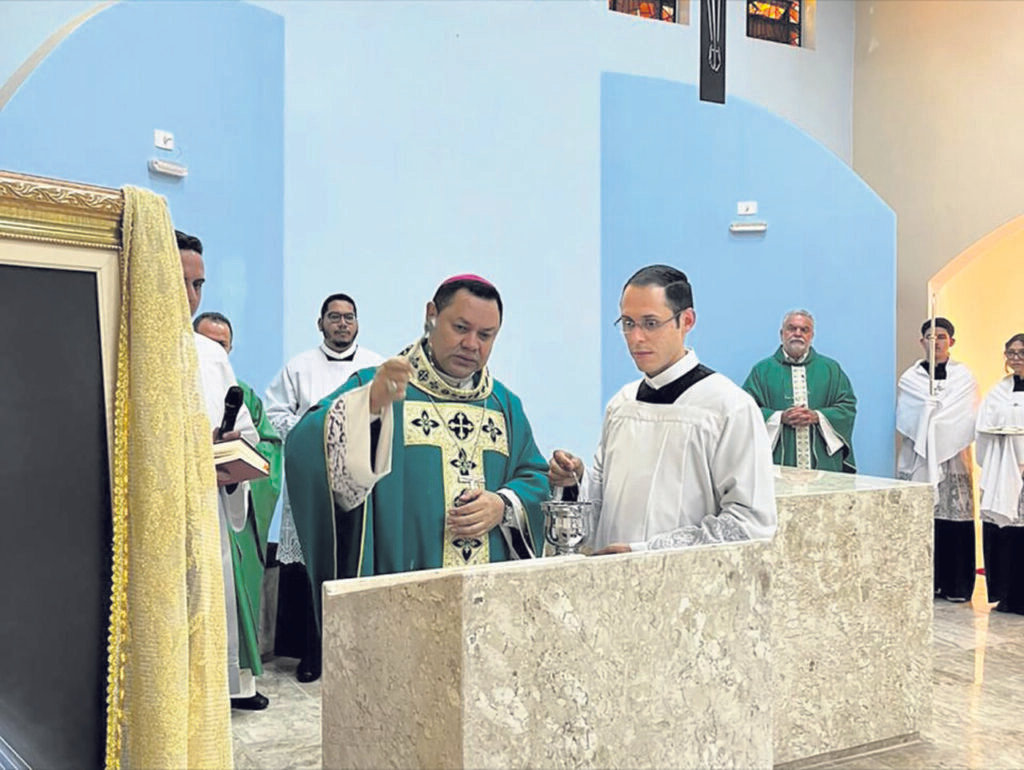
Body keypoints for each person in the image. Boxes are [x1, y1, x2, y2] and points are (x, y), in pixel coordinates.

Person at [285, 274, 549, 630]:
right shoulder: (379, 387)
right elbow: (304, 447)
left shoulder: (504, 406)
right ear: (431, 316)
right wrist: (368, 411)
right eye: (460, 327)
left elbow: (534, 477)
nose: (472, 344)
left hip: (488, 613)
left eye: (486, 336)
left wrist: (502, 504)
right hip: (401, 607)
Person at [547, 265, 777, 553]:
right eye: (628, 323)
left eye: (650, 323)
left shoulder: (728, 407)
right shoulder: (622, 404)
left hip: (687, 592)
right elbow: (605, 502)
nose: (636, 337)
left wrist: (644, 552)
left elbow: (749, 525)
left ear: (687, 321)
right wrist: (576, 480)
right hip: (611, 586)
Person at [263, 294, 383, 682]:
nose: (342, 324)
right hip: (311, 485)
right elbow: (273, 415)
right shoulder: (299, 368)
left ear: (358, 324)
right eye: (335, 317)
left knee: (354, 564)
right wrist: (317, 428)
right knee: (311, 567)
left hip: (363, 487)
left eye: (349, 317)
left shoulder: (375, 368)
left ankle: (359, 652)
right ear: (321, 324)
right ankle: (311, 653)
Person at [178, 230, 267, 710]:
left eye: (199, 285)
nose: (191, 297)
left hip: (207, 512)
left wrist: (232, 451)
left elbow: (249, 434)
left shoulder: (211, 356)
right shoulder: (119, 341)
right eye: (181, 282)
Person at [194, 311, 284, 666]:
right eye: (208, 342)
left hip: (234, 503)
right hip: (195, 504)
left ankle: (241, 680)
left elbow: (269, 446)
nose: (216, 350)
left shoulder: (243, 393)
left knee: (235, 592)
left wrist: (240, 466)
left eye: (222, 345)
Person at [895, 317, 978, 601]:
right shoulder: (910, 379)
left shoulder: (964, 376)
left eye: (941, 337)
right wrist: (929, 414)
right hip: (919, 457)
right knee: (923, 520)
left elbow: (964, 414)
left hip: (952, 457)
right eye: (930, 337)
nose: (936, 342)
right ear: (921, 342)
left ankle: (956, 585)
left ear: (951, 342)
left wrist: (936, 420)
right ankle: (925, 583)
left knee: (953, 519)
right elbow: (907, 414)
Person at [742, 310, 857, 472]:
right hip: (776, 459)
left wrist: (817, 416)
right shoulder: (762, 370)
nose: (798, 334)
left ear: (812, 335)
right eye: (792, 328)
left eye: (804, 330)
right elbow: (745, 411)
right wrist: (779, 417)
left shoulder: (831, 369)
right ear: (782, 334)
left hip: (823, 461)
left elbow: (847, 407)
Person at [975, 333, 1024, 614]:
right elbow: (984, 423)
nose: (1015, 358)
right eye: (1010, 352)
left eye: (1021, 352)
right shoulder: (998, 391)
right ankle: (1005, 594)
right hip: (1003, 466)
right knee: (1004, 533)